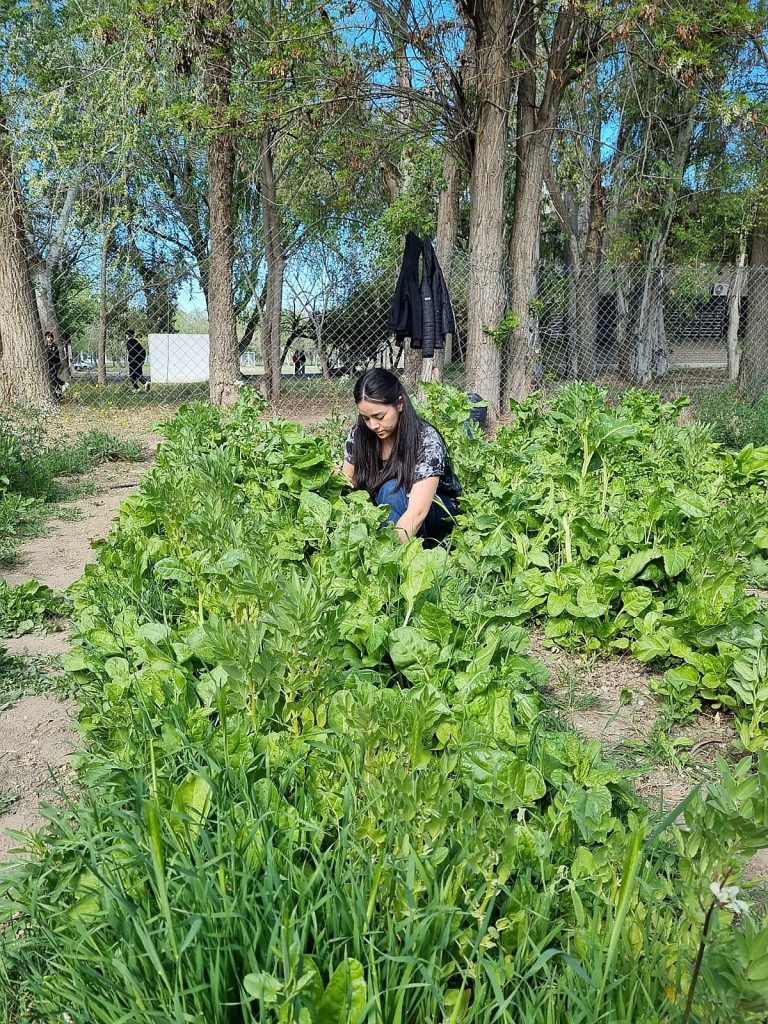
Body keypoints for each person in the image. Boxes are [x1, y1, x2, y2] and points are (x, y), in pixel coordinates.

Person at [341, 368, 461, 544]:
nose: (373, 425)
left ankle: (415, 560)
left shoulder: (426, 440)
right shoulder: (359, 434)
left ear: (399, 404)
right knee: (388, 494)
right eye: (366, 418)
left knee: (392, 491)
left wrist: (387, 555)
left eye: (379, 416)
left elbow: (417, 512)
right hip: (388, 507)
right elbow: (348, 482)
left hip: (437, 509)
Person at [44, 331, 63, 400]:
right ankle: (58, 391)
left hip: (55, 364)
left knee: (53, 377)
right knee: (51, 378)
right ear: (46, 338)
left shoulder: (54, 346)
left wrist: (47, 358)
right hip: (49, 365)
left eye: (51, 337)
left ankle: (61, 386)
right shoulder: (45, 347)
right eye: (48, 337)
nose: (50, 339)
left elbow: (53, 355)